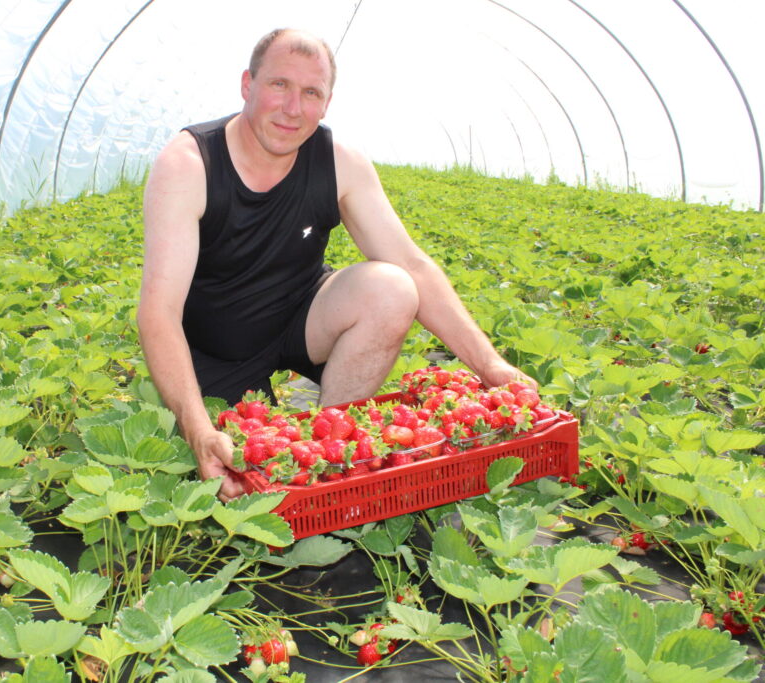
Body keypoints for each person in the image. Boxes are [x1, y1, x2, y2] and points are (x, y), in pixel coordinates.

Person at [136, 28, 534, 501]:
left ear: (326, 104)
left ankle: (333, 455)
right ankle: (235, 436)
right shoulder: (190, 164)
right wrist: (197, 427)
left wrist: (489, 365)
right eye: (279, 85)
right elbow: (158, 311)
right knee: (235, 475)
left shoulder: (339, 161)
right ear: (248, 85)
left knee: (393, 287)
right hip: (217, 348)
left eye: (311, 92)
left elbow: (413, 264)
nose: (293, 107)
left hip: (299, 319)